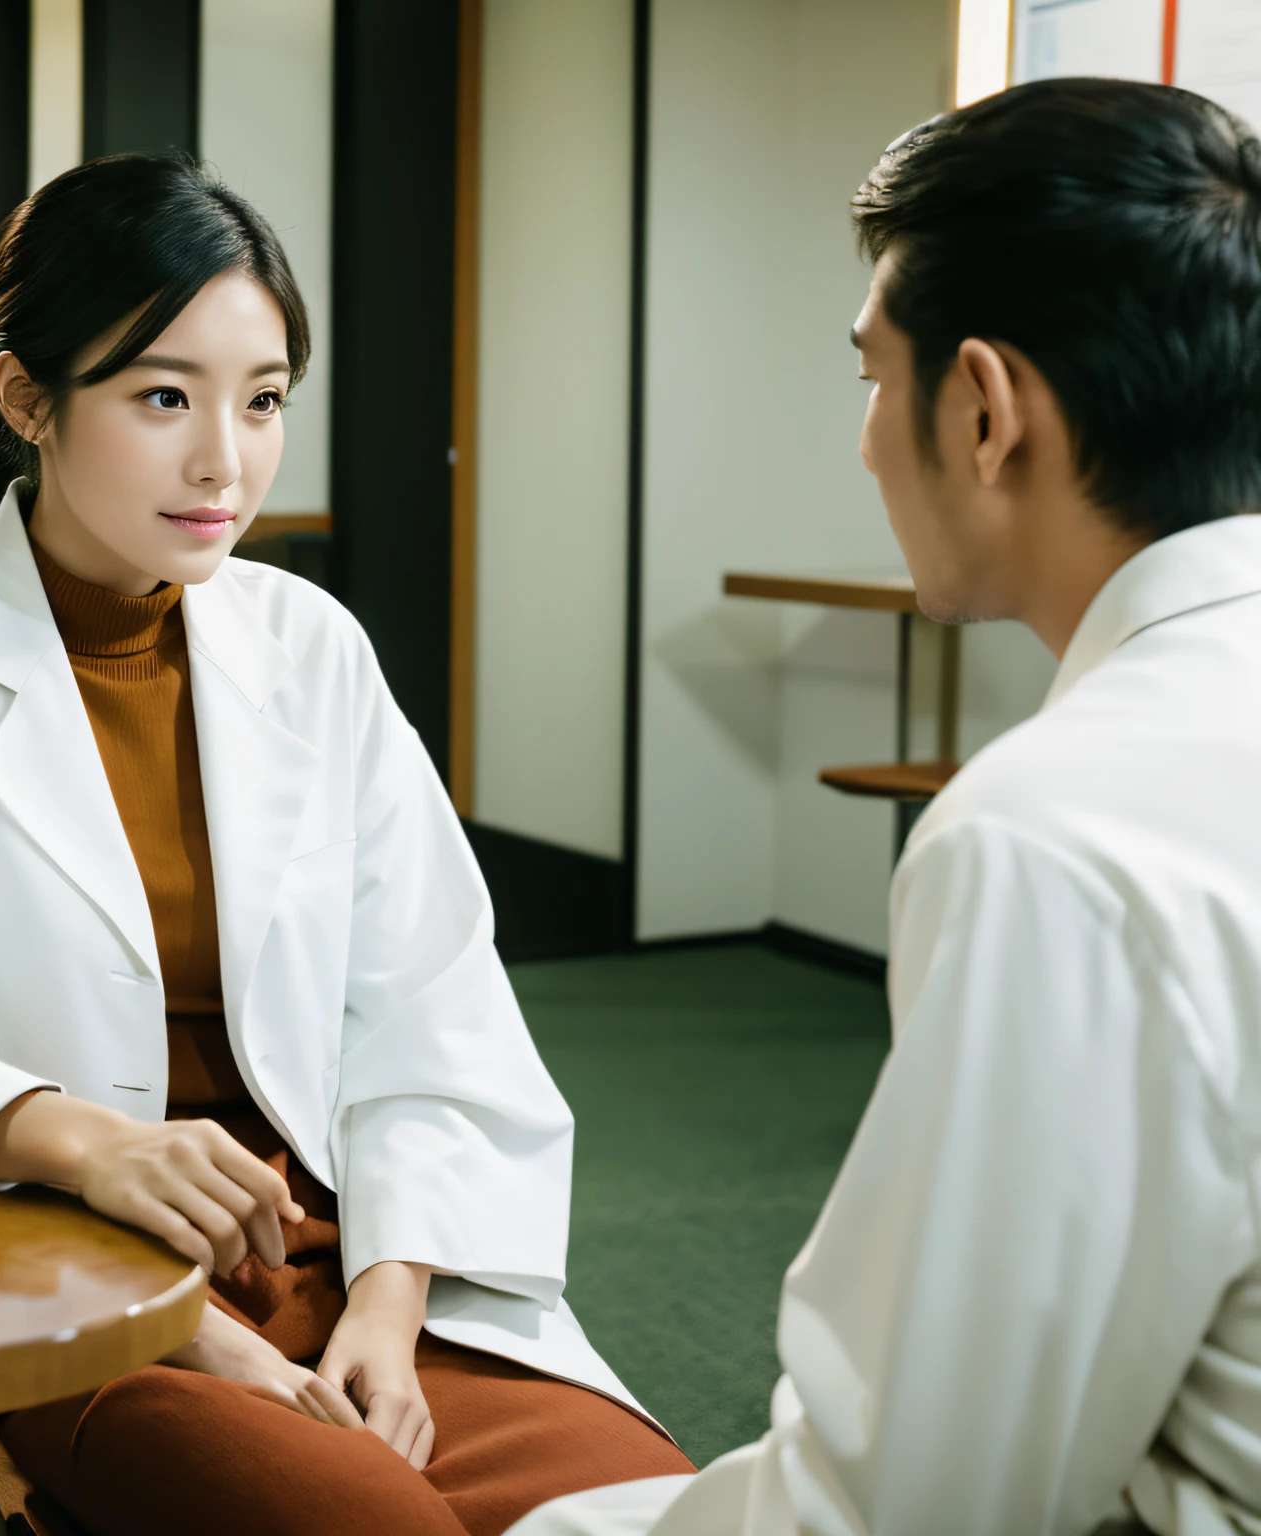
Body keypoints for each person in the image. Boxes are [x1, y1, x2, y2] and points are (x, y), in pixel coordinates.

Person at [0, 153, 691, 1536]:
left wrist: (392, 1304)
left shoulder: (308, 648)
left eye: (266, 399)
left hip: (351, 1265)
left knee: (667, 1516)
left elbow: (433, 1009)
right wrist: (95, 1155)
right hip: (39, 1265)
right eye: (164, 396)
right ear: (26, 399)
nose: (224, 460)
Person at [511, 78, 1261, 1536]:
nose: (864, 439)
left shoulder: (1054, 836)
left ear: (984, 409)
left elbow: (917, 1504)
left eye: (871, 375)